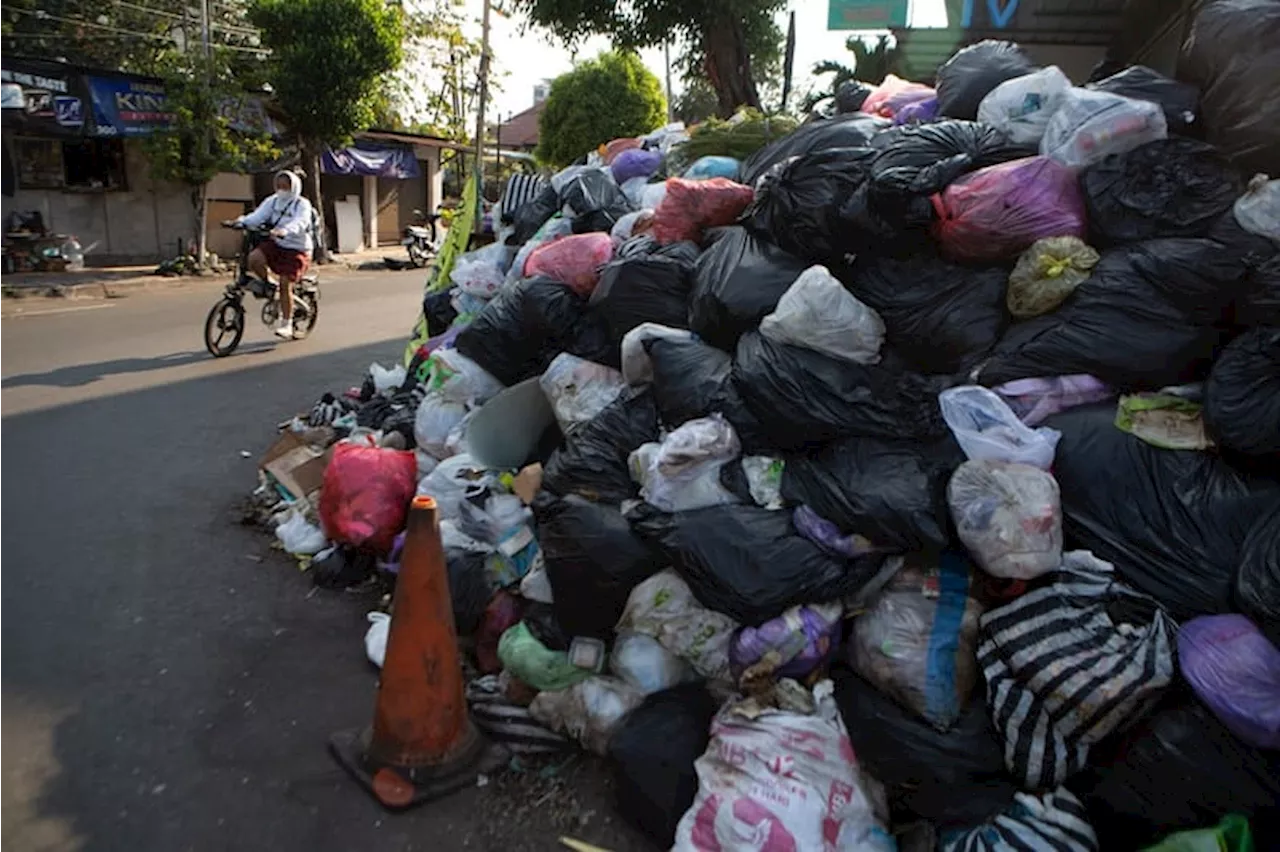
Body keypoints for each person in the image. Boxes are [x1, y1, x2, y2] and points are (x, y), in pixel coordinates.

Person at [233, 170, 314, 339]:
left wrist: (285, 230)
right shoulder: (273, 201)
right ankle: (271, 284)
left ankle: (287, 323)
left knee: (286, 283)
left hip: (297, 248)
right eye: (279, 186)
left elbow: (301, 222)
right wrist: (240, 222)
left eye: (285, 186)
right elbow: (257, 217)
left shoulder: (302, 204)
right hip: (277, 243)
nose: (281, 189)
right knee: (254, 259)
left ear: (294, 187)